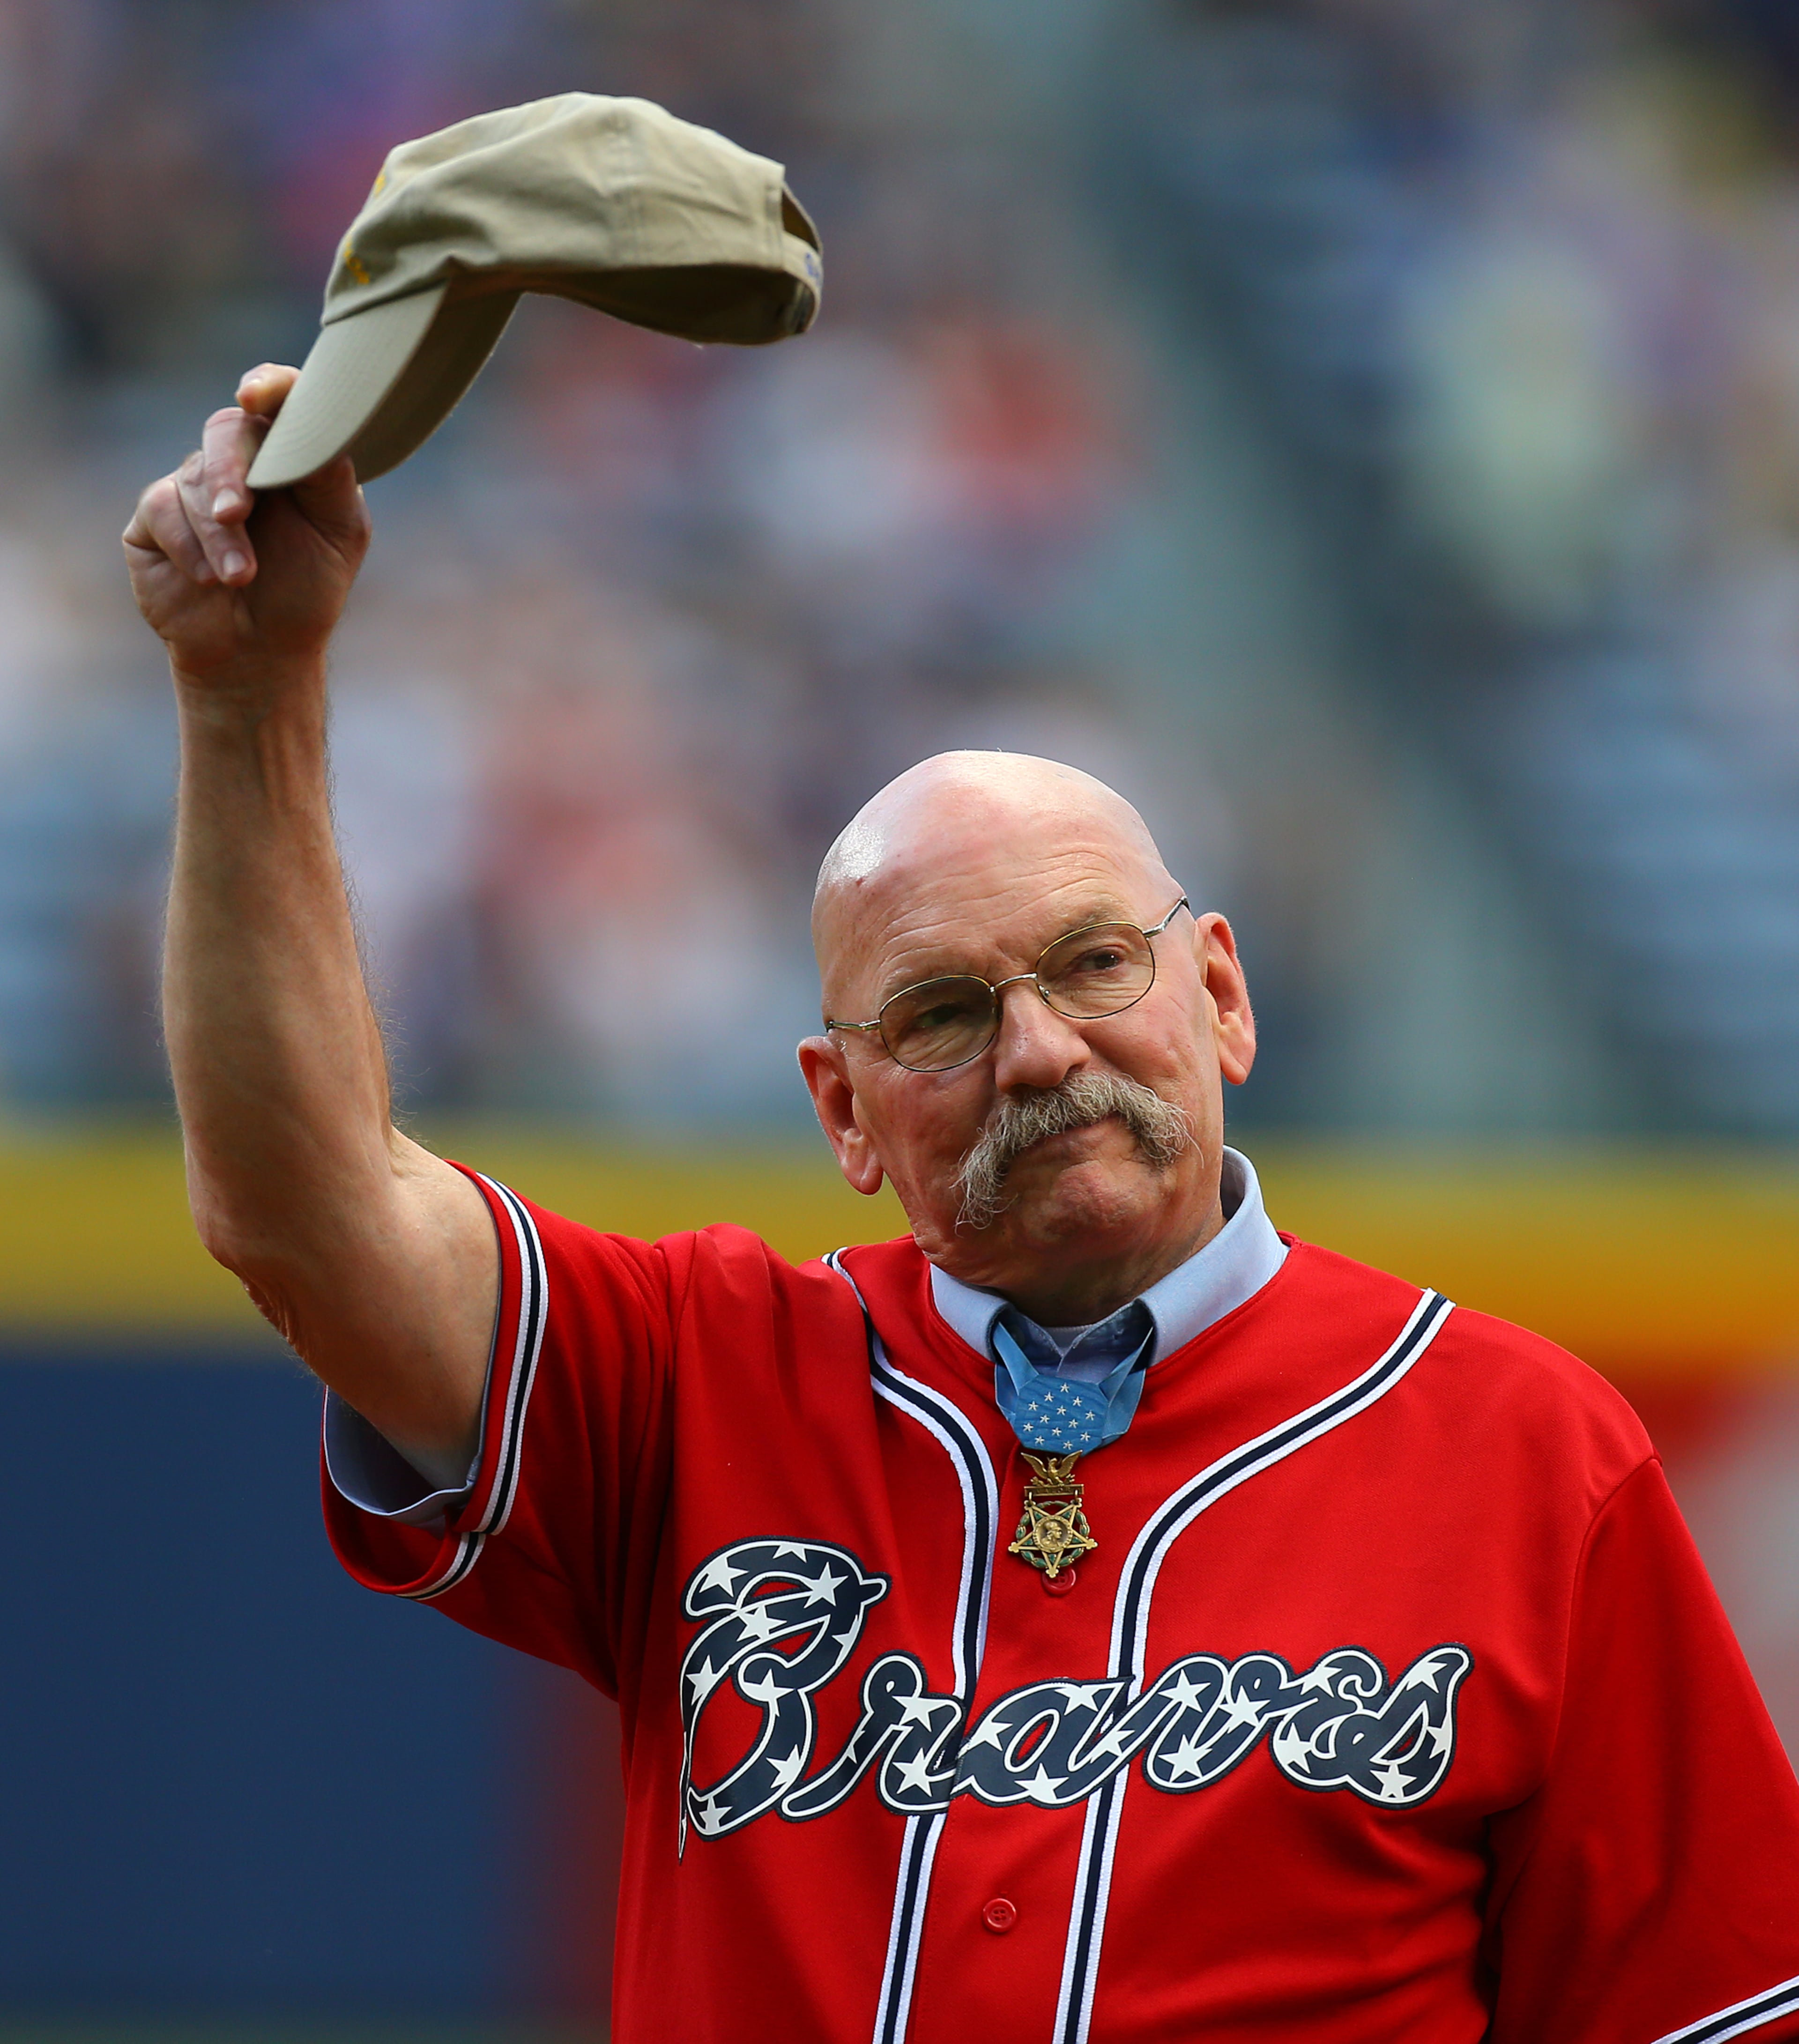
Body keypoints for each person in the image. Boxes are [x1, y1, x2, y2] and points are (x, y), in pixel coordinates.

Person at [127, 367, 1799, 2044]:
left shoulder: (1527, 1451)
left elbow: (1704, 2009)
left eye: (1096, 961)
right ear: (842, 1109)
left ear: (1222, 994)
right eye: (940, 1013)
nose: (1041, 1049)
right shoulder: (697, 1378)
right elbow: (308, 1208)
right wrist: (248, 695)